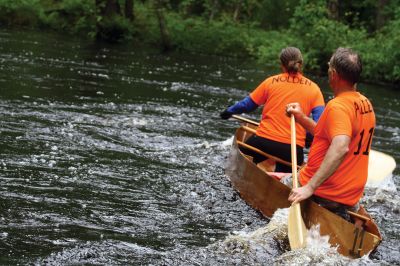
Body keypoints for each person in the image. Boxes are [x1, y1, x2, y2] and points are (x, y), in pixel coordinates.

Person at [287, 47, 375, 221]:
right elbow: (327, 134)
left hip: (324, 191)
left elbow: (341, 146)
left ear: (333, 74)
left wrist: (309, 187)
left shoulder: (338, 106)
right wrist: (301, 118)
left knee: (276, 181)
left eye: (329, 67)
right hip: (349, 194)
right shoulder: (366, 104)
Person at [220, 47, 325, 172]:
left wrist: (229, 111)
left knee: (235, 160)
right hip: (292, 150)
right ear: (301, 64)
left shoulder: (271, 82)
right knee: (287, 177)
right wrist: (308, 136)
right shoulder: (314, 89)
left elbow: (247, 105)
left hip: (264, 142)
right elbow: (321, 124)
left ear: (281, 64)